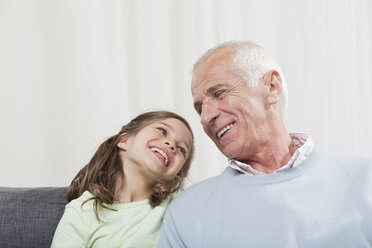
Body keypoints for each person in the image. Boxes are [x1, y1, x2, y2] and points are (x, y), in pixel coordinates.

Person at [158, 41, 372, 247]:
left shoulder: (365, 179)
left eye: (219, 94)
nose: (205, 117)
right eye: (199, 108)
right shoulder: (186, 213)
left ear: (271, 87)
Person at [51, 111, 194, 248]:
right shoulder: (83, 211)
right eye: (162, 131)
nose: (172, 144)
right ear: (124, 141)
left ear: (175, 174)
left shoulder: (179, 204)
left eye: (182, 149)